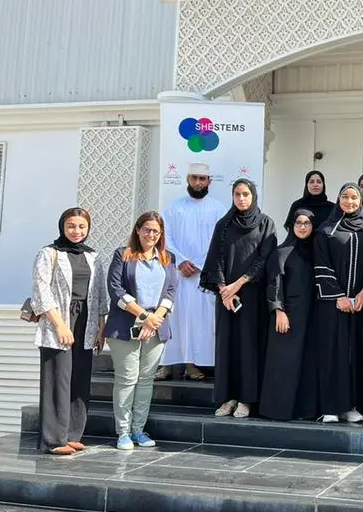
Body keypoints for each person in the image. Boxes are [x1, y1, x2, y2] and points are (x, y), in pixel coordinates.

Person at [31, 208, 107, 455]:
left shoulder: (93, 256)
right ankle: (54, 440)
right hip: (59, 319)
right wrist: (60, 325)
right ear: (62, 227)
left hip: (86, 320)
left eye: (82, 226)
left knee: (79, 377)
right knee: (58, 379)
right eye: (71, 226)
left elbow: (100, 294)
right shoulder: (49, 253)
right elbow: (41, 291)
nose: (76, 231)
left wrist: (101, 327)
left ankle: (72, 434)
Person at [200, 179, 277, 419]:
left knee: (249, 347)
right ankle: (228, 397)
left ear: (253, 195)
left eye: (245, 194)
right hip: (226, 299)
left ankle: (246, 399)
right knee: (227, 347)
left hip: (252, 297)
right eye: (237, 194)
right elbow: (215, 257)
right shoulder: (224, 224)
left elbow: (265, 258)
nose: (241, 199)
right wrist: (223, 288)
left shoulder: (265, 223)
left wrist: (238, 284)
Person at [103, 211, 179, 450]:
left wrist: (154, 319)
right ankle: (123, 432)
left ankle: (138, 430)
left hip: (156, 326)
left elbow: (171, 291)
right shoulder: (123, 254)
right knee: (127, 379)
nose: (151, 234)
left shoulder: (168, 258)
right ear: (137, 230)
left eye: (156, 231)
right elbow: (115, 289)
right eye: (147, 229)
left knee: (146, 380)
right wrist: (144, 317)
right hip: (126, 325)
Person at [313, 183, 363, 423]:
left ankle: (351, 405)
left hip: (359, 305)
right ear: (338, 200)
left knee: (355, 354)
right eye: (345, 197)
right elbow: (321, 265)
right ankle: (331, 406)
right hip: (333, 305)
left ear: (361, 201)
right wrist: (338, 296)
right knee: (333, 354)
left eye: (354, 198)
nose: (349, 202)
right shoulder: (326, 230)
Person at [156, 163, 226, 382]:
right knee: (173, 318)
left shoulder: (217, 209)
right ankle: (167, 364)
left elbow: (220, 241)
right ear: (187, 179)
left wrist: (198, 264)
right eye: (194, 178)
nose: (198, 182)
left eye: (202, 179)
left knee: (198, 321)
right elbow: (165, 237)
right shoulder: (174, 207)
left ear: (209, 181)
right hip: (178, 274)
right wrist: (180, 261)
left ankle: (192, 363)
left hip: (203, 276)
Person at [260, 209, 317, 421]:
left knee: (306, 363)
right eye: (298, 223)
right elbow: (274, 283)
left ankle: (304, 410)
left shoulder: (315, 252)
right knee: (284, 363)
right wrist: (279, 310)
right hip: (288, 316)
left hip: (310, 317)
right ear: (291, 226)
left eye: (307, 223)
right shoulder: (282, 252)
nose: (302, 227)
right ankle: (278, 410)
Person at [283, 170, 336, 234]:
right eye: (311, 182)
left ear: (323, 185)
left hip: (324, 240)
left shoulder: (332, 207)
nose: (315, 185)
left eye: (319, 182)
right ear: (306, 185)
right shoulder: (297, 205)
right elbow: (291, 229)